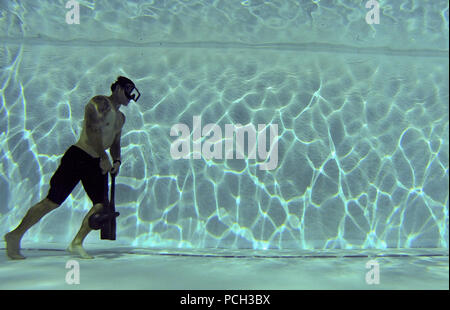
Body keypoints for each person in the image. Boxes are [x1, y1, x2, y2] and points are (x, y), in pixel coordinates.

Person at [4, 76, 140, 259]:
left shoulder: (121, 118)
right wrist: (104, 156)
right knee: (52, 201)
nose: (130, 97)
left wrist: (117, 161)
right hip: (78, 156)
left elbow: (115, 142)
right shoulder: (100, 102)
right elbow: (93, 131)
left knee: (101, 206)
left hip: (97, 163)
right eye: (128, 91)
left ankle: (76, 243)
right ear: (117, 89)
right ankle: (15, 235)